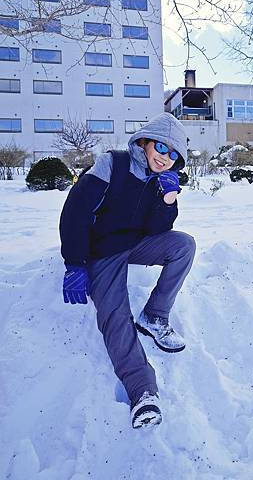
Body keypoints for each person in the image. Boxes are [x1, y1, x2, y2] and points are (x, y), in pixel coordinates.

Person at [59, 112, 196, 429]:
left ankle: (155, 315)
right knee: (115, 314)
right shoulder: (114, 164)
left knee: (183, 245)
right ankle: (143, 392)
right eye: (161, 148)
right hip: (102, 250)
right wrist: (75, 263)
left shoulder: (159, 180)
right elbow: (75, 211)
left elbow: (156, 229)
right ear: (146, 142)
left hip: (135, 245)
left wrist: (168, 199)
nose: (165, 158)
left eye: (174, 155)